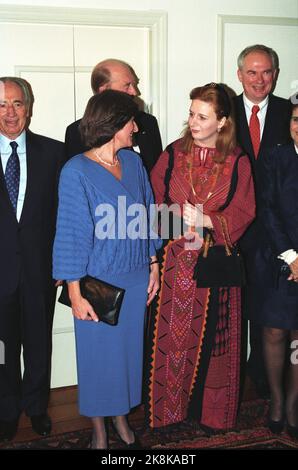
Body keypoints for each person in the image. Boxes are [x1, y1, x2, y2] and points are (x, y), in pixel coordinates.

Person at [53, 89, 161, 449]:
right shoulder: (76, 171)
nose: (135, 127)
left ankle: (120, 417)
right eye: (131, 121)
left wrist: (154, 264)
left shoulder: (133, 163)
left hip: (134, 277)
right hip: (97, 284)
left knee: (128, 355)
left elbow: (147, 217)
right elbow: (70, 233)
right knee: (99, 359)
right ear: (113, 124)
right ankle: (99, 428)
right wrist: (74, 290)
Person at [145, 83, 255, 431]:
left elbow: (245, 210)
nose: (193, 122)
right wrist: (177, 222)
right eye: (191, 114)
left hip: (216, 265)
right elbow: (152, 202)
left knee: (217, 348)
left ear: (222, 122)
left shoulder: (238, 160)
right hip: (175, 264)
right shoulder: (173, 153)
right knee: (172, 341)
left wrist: (207, 220)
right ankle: (168, 415)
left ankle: (213, 416)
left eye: (203, 117)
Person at [0, 77, 64, 441]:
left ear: (29, 106)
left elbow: (63, 215)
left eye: (17, 103)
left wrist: (61, 262)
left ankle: (36, 406)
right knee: (2, 345)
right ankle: (7, 408)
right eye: (2, 104)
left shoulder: (53, 153)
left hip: (41, 269)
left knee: (39, 341)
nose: (10, 112)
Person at [233, 44, 292, 397]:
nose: (259, 79)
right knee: (236, 307)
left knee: (272, 314)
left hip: (278, 232)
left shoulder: (290, 113)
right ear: (239, 75)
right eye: (252, 72)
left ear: (275, 75)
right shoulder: (224, 112)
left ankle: (267, 379)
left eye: (266, 72)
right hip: (234, 230)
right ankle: (232, 379)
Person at [251, 103, 298, 438]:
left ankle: (294, 403)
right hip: (278, 260)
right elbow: (266, 209)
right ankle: (277, 400)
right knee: (274, 332)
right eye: (297, 120)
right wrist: (292, 256)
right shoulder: (274, 157)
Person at [65, 58, 163, 172]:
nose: (134, 92)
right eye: (127, 85)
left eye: (134, 84)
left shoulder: (147, 122)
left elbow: (157, 174)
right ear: (104, 91)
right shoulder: (77, 132)